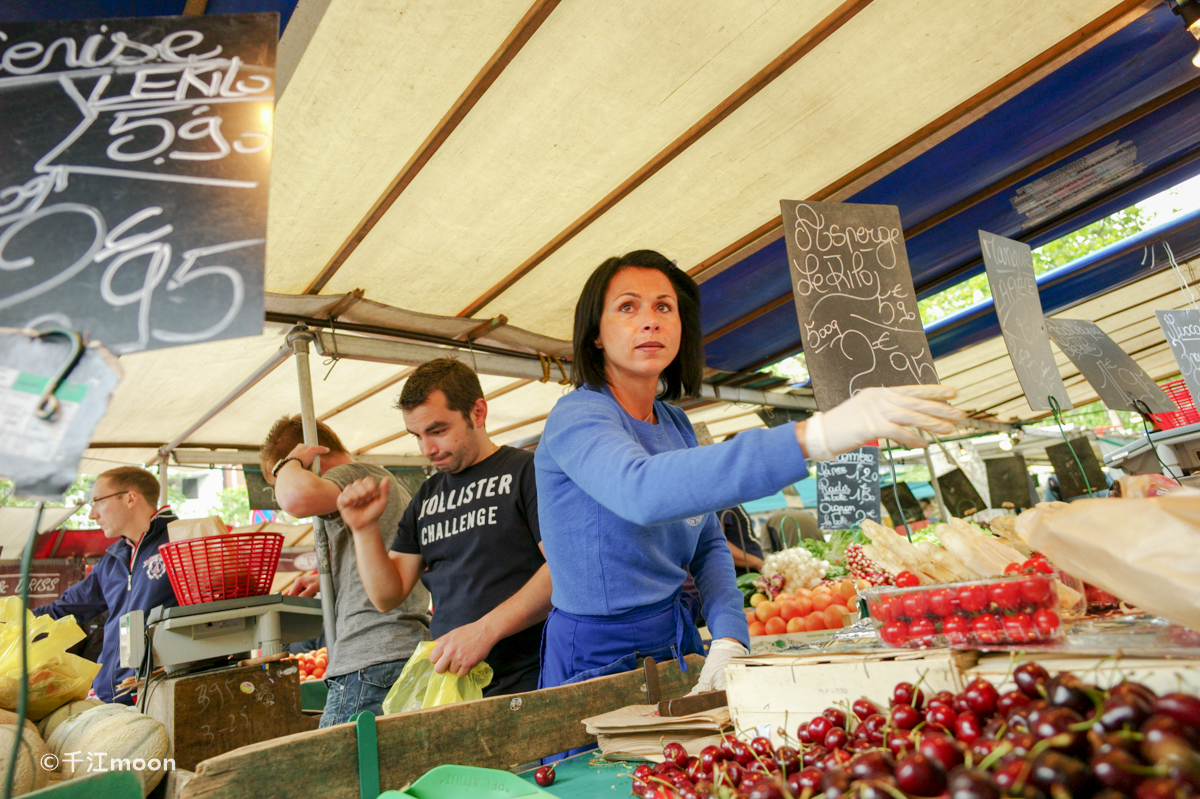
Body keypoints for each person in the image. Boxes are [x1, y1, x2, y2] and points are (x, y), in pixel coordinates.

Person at [535, 250, 967, 692]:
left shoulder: (674, 422)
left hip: (674, 643)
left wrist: (727, 634)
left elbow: (707, 541)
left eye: (664, 306)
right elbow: (641, 491)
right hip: (597, 656)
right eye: (628, 307)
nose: (650, 320)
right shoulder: (577, 417)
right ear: (596, 336)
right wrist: (815, 435)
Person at [336, 359, 552, 697]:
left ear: (477, 413)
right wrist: (363, 530)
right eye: (417, 436)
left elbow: (563, 570)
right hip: (457, 685)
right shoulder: (426, 496)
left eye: (438, 431)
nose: (427, 449)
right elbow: (386, 596)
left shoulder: (527, 472)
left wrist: (484, 631)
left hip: (532, 677)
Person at [260, 416, 431, 727]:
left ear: (311, 456)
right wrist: (327, 582)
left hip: (371, 656)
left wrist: (287, 465)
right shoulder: (376, 482)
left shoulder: (352, 475)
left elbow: (296, 497)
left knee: (336, 773)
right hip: (396, 648)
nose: (279, 494)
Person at [33, 467, 178, 704]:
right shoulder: (111, 561)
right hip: (108, 697)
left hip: (158, 695)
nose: (92, 514)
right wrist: (11, 620)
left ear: (130, 498)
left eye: (98, 502)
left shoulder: (181, 542)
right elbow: (65, 610)